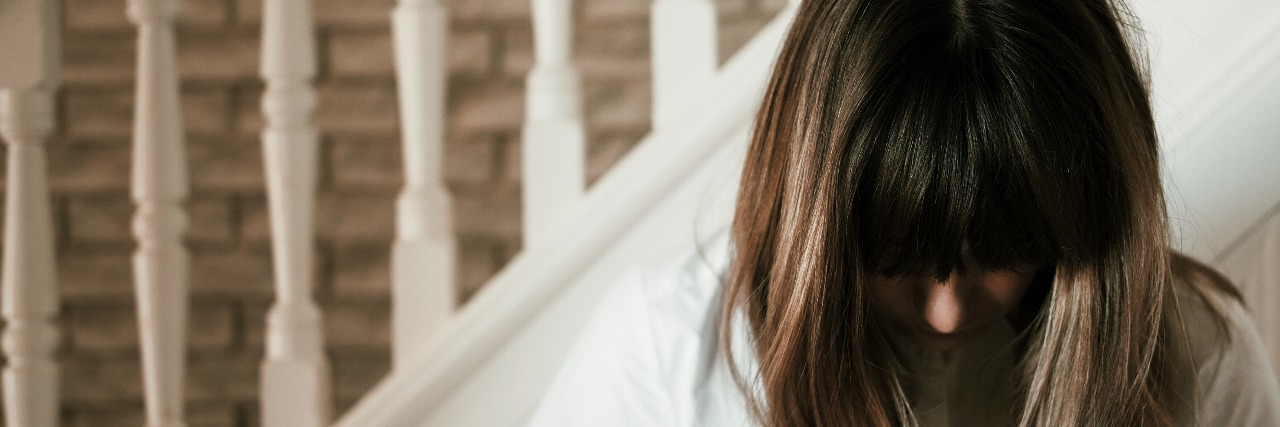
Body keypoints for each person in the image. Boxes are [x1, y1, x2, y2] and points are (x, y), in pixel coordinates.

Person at [526, 0, 1280, 425]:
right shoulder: (665, 352)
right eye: (897, 262)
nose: (950, 311)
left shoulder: (1202, 358)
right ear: (820, 229)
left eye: (1005, 253)